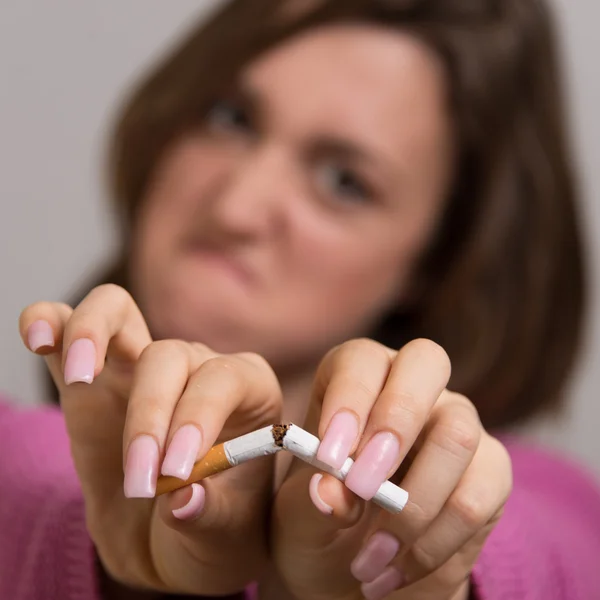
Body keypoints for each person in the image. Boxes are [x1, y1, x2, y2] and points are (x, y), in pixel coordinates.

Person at [2, 0, 600, 598]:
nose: (235, 207)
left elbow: (555, 551)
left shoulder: (564, 511)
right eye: (231, 117)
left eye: (344, 182)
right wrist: (108, 561)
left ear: (436, 261)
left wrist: (438, 573)